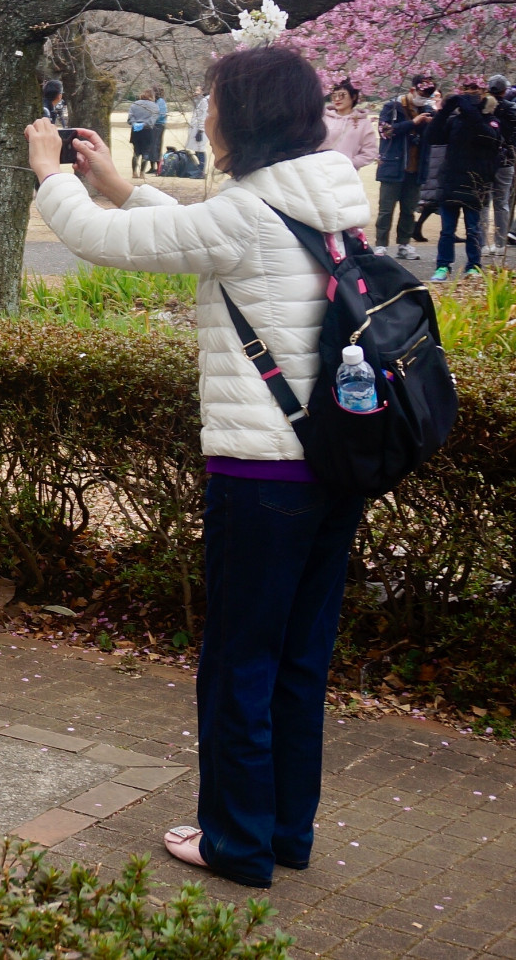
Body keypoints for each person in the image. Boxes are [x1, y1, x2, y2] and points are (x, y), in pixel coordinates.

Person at [25, 44, 368, 892]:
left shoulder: (249, 210)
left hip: (261, 479)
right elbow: (212, 238)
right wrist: (118, 182)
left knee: (239, 666)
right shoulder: (321, 197)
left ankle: (237, 843)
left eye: (210, 101)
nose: (202, 115)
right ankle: (284, 832)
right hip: (332, 469)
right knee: (296, 662)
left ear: (239, 117)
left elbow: (111, 242)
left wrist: (52, 177)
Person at [424, 80, 499, 280]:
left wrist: (465, 107)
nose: (469, 93)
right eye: (466, 90)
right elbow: (432, 137)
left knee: (473, 230)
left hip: (475, 182)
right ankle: (443, 266)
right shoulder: (455, 121)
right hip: (451, 180)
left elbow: (489, 136)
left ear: (484, 92)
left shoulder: (490, 119)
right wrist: (445, 110)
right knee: (447, 231)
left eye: (474, 89)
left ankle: (474, 265)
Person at [374, 75, 436, 257]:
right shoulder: (392, 107)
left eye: (427, 95)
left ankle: (404, 244)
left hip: (416, 168)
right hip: (393, 165)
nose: (423, 98)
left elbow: (433, 137)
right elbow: (385, 131)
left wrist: (430, 125)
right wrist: (413, 123)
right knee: (386, 209)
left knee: (409, 210)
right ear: (411, 90)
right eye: (421, 93)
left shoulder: (427, 110)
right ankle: (381, 244)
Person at [320, 81, 379, 171]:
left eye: (342, 95)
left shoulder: (363, 123)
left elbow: (369, 152)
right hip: (320, 170)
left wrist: (349, 163)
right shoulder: (323, 119)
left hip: (346, 174)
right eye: (334, 95)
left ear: (354, 96)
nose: (337, 99)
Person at [489, 75, 514, 255]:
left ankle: (482, 242)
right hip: (506, 160)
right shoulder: (511, 110)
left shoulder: (483, 108)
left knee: (483, 202)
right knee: (502, 202)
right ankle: (500, 243)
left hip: (486, 158)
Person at [128, 89, 160, 178]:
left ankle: (134, 172)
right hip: (147, 131)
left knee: (136, 152)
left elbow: (130, 117)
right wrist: (144, 124)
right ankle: (142, 173)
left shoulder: (134, 104)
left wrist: (135, 124)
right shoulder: (155, 106)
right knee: (146, 152)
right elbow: (152, 121)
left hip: (135, 130)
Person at [188, 86, 211, 173]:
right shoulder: (201, 101)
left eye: (198, 90)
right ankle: (198, 169)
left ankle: (201, 170)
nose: (196, 92)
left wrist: (200, 130)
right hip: (197, 127)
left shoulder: (205, 101)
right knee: (197, 149)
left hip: (201, 129)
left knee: (200, 149)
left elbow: (203, 116)